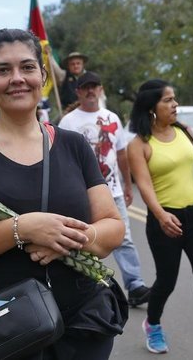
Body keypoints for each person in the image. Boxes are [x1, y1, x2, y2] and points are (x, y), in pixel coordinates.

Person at [0, 28, 128, 359]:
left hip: (80, 327)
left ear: (42, 75)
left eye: (27, 67)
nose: (17, 79)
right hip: (5, 329)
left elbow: (112, 226)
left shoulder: (74, 146)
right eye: (3, 70)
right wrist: (21, 229)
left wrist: (66, 237)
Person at [127, 79, 193, 360]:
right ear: (152, 106)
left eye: (175, 99)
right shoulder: (139, 145)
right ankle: (153, 323)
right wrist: (161, 215)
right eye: (168, 100)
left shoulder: (185, 131)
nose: (175, 105)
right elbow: (144, 186)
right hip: (166, 221)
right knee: (166, 281)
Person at [58, 71, 151, 308]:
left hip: (113, 190)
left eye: (95, 86)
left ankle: (135, 285)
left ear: (100, 90)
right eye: (85, 87)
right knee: (85, 240)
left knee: (124, 238)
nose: (91, 91)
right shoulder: (68, 121)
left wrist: (127, 185)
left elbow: (121, 154)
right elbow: (60, 157)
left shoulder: (112, 118)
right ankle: (87, 288)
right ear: (78, 92)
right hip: (81, 193)